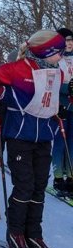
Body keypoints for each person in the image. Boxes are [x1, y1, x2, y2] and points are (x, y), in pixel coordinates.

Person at [0, 29, 65, 248]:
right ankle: (16, 233)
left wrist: (64, 105)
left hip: (44, 136)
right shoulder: (17, 69)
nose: (62, 56)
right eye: (59, 52)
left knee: (39, 186)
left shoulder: (57, 72)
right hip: (19, 136)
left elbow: (52, 100)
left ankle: (34, 234)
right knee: (24, 185)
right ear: (46, 52)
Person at [51, 28, 73, 195]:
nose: (69, 43)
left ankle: (71, 177)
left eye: (71, 40)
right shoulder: (56, 59)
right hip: (60, 105)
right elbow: (51, 82)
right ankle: (58, 177)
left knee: (72, 142)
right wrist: (67, 88)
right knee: (60, 141)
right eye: (66, 41)